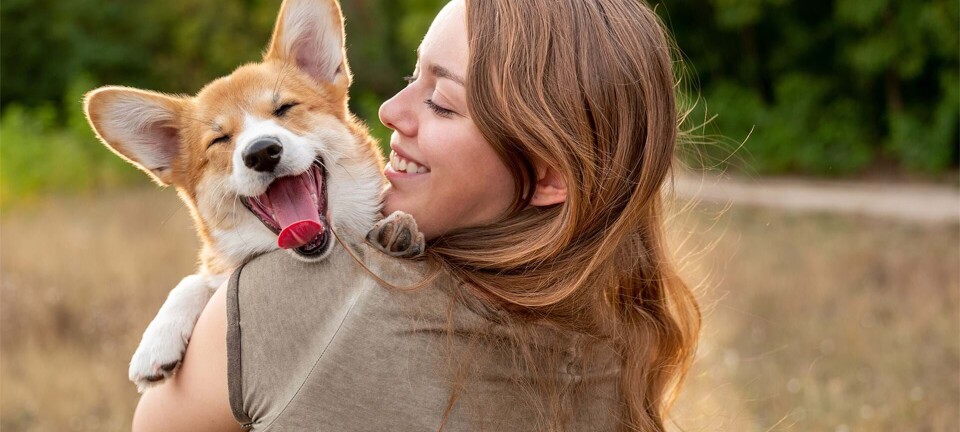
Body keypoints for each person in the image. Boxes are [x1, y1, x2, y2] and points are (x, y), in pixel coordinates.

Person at [132, 0, 700, 430]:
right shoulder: (619, 344)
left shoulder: (288, 302)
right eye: (412, 76)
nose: (386, 111)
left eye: (442, 101)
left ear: (550, 174)